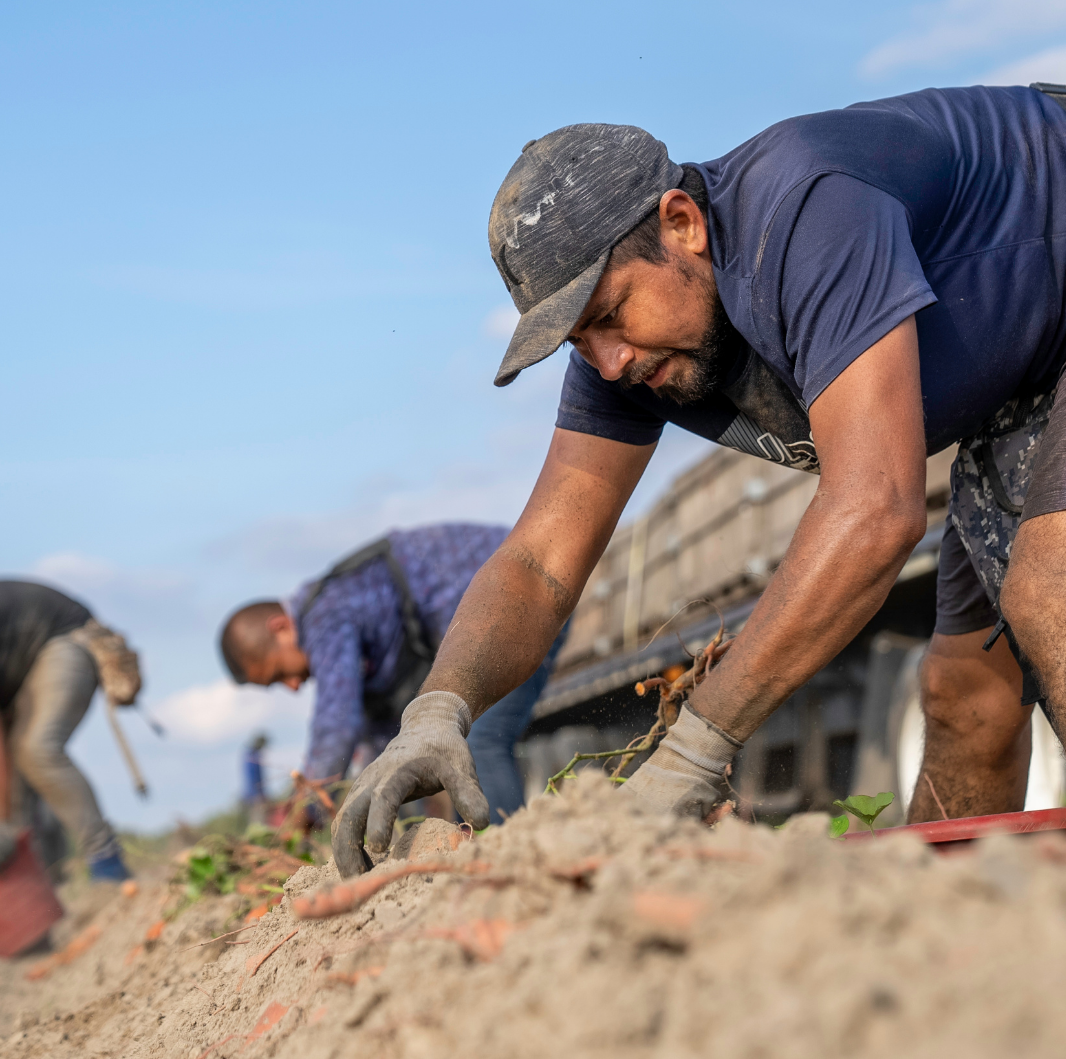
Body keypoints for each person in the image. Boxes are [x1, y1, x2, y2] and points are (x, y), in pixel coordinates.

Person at [330, 84, 1066, 875]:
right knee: (964, 695)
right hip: (1029, 375)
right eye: (579, 341)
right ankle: (952, 961)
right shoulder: (621, 362)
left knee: (1050, 588)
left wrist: (694, 749)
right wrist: (439, 709)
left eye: (611, 313)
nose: (608, 360)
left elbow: (877, 509)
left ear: (681, 225)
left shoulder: (806, 212)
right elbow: (540, 561)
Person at [219, 524, 567, 824]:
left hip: (527, 590)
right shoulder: (347, 624)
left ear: (281, 628)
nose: (293, 687)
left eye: (280, 673)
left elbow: (337, 723)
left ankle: (507, 855)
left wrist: (306, 807)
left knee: (477, 743)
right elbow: (384, 747)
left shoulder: (326, 614)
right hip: (486, 619)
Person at [0, 580, 141, 879]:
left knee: (36, 749)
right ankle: (42, 887)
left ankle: (107, 863)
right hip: (20, 670)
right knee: (14, 790)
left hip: (63, 637)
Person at [241, 732, 270, 825]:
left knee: (259, 820)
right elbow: (253, 778)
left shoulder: (252, 755)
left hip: (253, 794)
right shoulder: (252, 756)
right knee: (258, 822)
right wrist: (259, 794)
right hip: (255, 795)